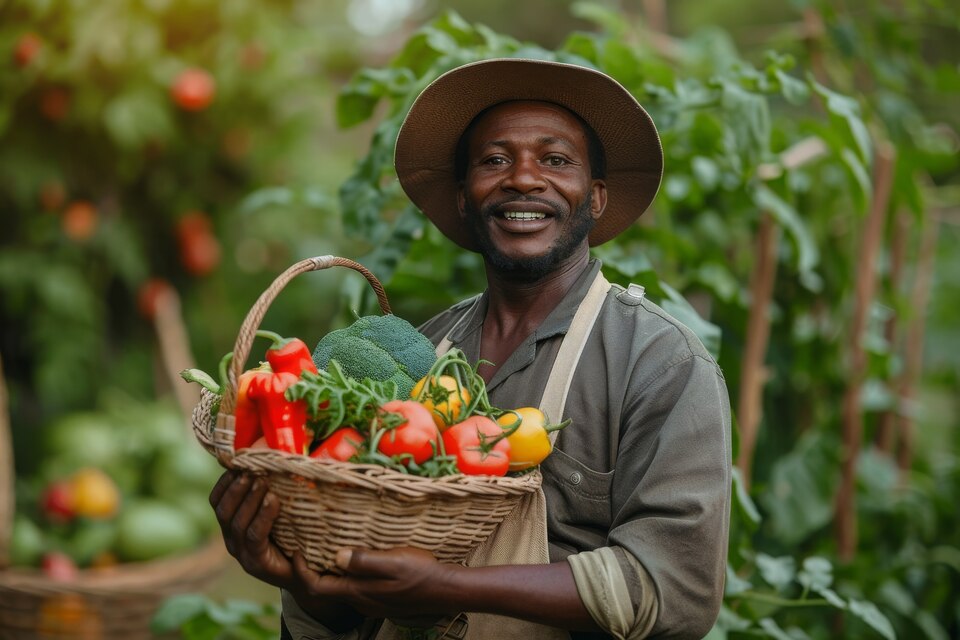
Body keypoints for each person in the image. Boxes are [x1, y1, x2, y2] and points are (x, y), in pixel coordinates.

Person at [209, 58, 732, 639]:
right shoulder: (428, 348)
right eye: (495, 160)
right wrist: (301, 579)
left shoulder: (657, 360)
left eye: (556, 160)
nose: (524, 179)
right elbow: (359, 586)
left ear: (598, 196)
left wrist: (447, 589)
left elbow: (676, 590)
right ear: (464, 197)